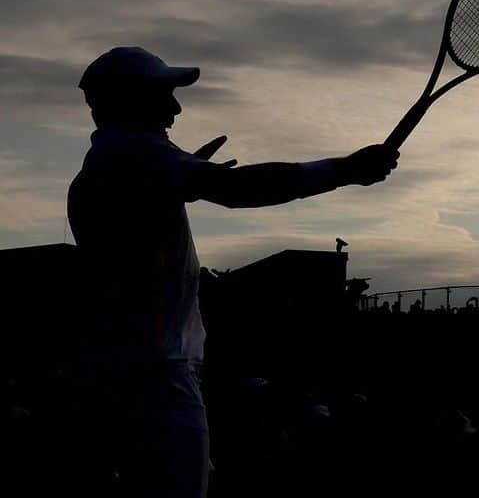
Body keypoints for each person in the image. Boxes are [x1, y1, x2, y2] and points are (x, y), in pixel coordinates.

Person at [67, 46, 399, 498]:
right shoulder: (135, 156)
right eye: (164, 95)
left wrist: (188, 177)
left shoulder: (112, 164)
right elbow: (239, 190)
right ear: (129, 102)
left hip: (138, 368)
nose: (176, 108)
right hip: (156, 372)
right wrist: (344, 170)